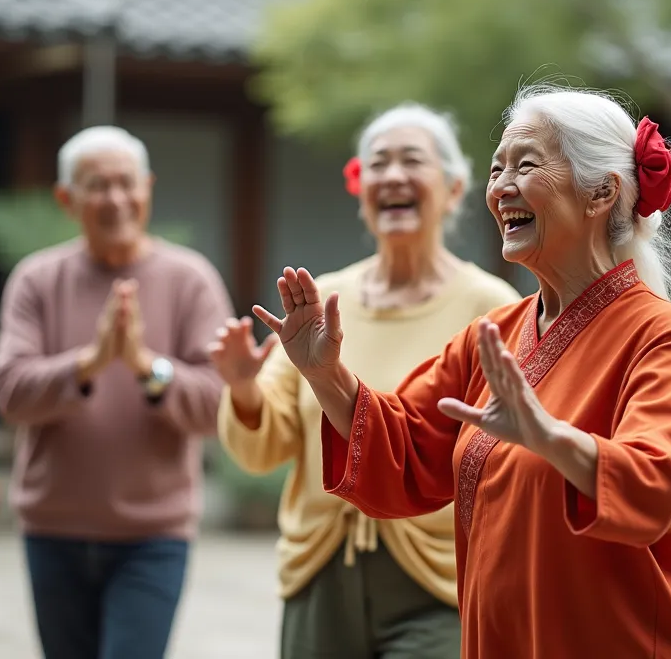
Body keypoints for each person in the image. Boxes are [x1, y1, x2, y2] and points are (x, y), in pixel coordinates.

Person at [249, 85, 671, 658]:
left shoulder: (660, 336)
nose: (499, 188)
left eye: (525, 165)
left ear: (602, 191)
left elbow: (659, 483)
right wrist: (325, 375)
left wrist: (548, 437)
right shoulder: (494, 335)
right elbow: (407, 446)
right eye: (496, 169)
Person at [211, 103, 521, 658]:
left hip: (443, 579)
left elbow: (510, 450)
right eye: (378, 164)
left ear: (453, 189)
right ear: (360, 187)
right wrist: (241, 388)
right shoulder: (325, 300)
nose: (393, 176)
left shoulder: (491, 307)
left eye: (412, 161)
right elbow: (266, 449)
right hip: (321, 569)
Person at [0, 125, 234, 659]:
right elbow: (7, 392)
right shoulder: (37, 279)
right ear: (66, 198)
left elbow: (221, 404)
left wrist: (148, 367)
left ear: (148, 188)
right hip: (53, 528)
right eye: (98, 185)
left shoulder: (190, 279)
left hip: (154, 535)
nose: (116, 198)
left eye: (127, 183)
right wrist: (89, 362)